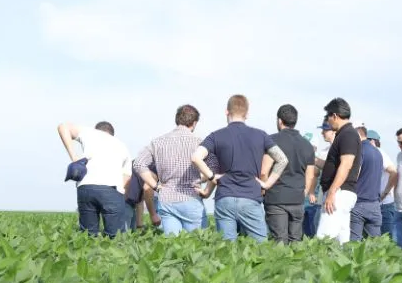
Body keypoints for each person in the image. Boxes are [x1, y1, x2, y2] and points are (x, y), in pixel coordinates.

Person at [192, 95, 288, 242]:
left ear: (226, 112)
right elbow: (282, 159)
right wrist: (268, 184)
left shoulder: (216, 135)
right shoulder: (261, 135)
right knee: (260, 249)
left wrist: (211, 176)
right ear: (247, 114)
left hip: (225, 197)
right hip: (250, 197)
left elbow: (196, 157)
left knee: (227, 251)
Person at [134, 105, 213, 236]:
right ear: (194, 123)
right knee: (198, 244)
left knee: (173, 244)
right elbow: (213, 170)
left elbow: (138, 163)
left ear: (177, 120)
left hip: (167, 199)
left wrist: (156, 187)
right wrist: (203, 182)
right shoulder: (200, 142)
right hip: (191, 197)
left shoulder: (158, 142)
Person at [58, 120, 132, 237]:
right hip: (111, 188)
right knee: (115, 237)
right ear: (112, 133)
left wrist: (74, 158)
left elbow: (63, 127)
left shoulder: (89, 133)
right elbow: (126, 178)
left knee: (89, 235)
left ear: (96, 129)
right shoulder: (122, 145)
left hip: (85, 187)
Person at [260, 104, 316, 244]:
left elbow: (263, 171)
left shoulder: (271, 140)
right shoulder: (307, 144)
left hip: (276, 198)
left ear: (279, 121)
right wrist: (304, 192)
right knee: (295, 241)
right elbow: (310, 174)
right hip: (297, 199)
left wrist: (263, 189)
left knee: (279, 241)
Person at [315, 98, 362, 244]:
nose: (328, 122)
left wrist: (332, 192)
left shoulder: (347, 134)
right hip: (342, 192)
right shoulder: (345, 134)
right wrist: (313, 160)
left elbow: (346, 165)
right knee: (341, 240)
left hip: (339, 193)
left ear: (334, 115)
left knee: (324, 238)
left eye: (328, 117)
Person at [350, 125, 387, 241]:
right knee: (376, 245)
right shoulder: (378, 153)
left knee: (354, 243)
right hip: (375, 205)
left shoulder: (359, 150)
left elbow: (355, 175)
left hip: (359, 202)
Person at [366, 130, 398, 238]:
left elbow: (394, 172)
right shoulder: (371, 153)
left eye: (366, 141)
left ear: (373, 141)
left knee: (386, 239)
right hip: (375, 203)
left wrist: (384, 193)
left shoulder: (379, 152)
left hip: (385, 204)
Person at [124, 162, 160, 231]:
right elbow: (146, 190)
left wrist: (139, 225)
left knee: (130, 233)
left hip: (126, 199)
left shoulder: (139, 163)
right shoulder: (154, 168)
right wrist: (153, 215)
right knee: (124, 234)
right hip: (126, 201)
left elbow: (140, 198)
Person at [301, 132, 322, 238]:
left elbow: (315, 174)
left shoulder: (315, 161)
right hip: (300, 198)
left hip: (310, 201)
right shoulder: (302, 159)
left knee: (309, 228)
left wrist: (311, 192)